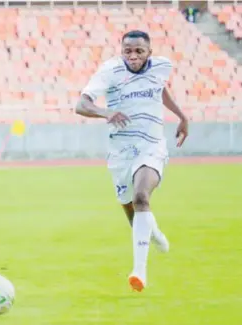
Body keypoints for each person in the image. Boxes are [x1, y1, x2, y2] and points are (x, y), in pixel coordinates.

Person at [75, 30, 189, 292]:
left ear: (149, 51)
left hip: (151, 144)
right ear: (121, 51)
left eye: (139, 50)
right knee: (132, 210)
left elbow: (159, 89)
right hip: (120, 151)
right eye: (128, 51)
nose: (133, 56)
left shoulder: (162, 66)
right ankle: (155, 232)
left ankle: (139, 272)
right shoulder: (110, 71)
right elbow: (81, 104)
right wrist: (106, 112)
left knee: (141, 197)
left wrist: (182, 116)